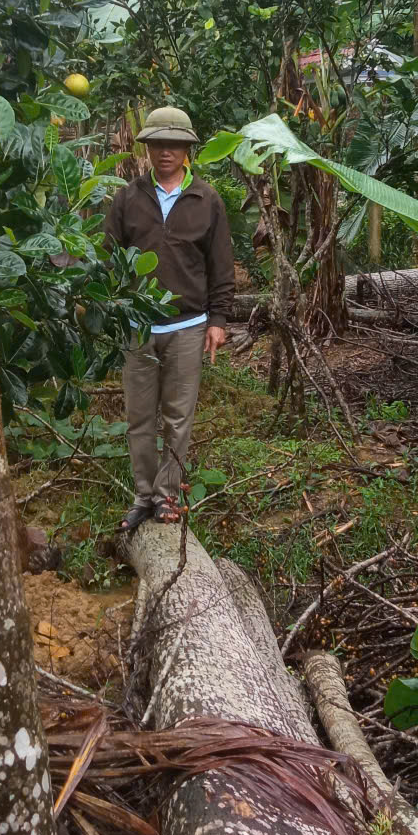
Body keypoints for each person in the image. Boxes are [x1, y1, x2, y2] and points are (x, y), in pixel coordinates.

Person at [104, 106, 235, 533]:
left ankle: (167, 496)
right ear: (147, 148)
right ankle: (144, 496)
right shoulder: (127, 198)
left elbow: (221, 266)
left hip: (187, 325)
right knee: (140, 417)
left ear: (186, 150)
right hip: (138, 327)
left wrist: (218, 319)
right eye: (158, 143)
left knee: (178, 416)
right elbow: (108, 258)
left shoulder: (207, 200)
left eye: (174, 144)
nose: (165, 152)